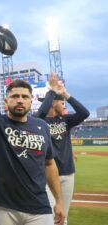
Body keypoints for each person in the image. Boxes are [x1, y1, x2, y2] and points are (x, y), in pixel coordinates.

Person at [0, 48, 65, 225]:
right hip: (4, 205)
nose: (20, 100)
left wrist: (58, 201)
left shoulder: (41, 126)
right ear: (6, 101)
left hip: (39, 205)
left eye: (25, 96)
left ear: (31, 100)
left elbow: (49, 164)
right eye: (15, 96)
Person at [36, 74, 90, 225]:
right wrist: (52, 91)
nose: (65, 106)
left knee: (63, 217)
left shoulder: (65, 121)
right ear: (53, 103)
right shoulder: (39, 122)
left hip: (67, 173)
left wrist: (65, 93)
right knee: (50, 215)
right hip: (47, 175)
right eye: (63, 103)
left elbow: (84, 113)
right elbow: (40, 113)